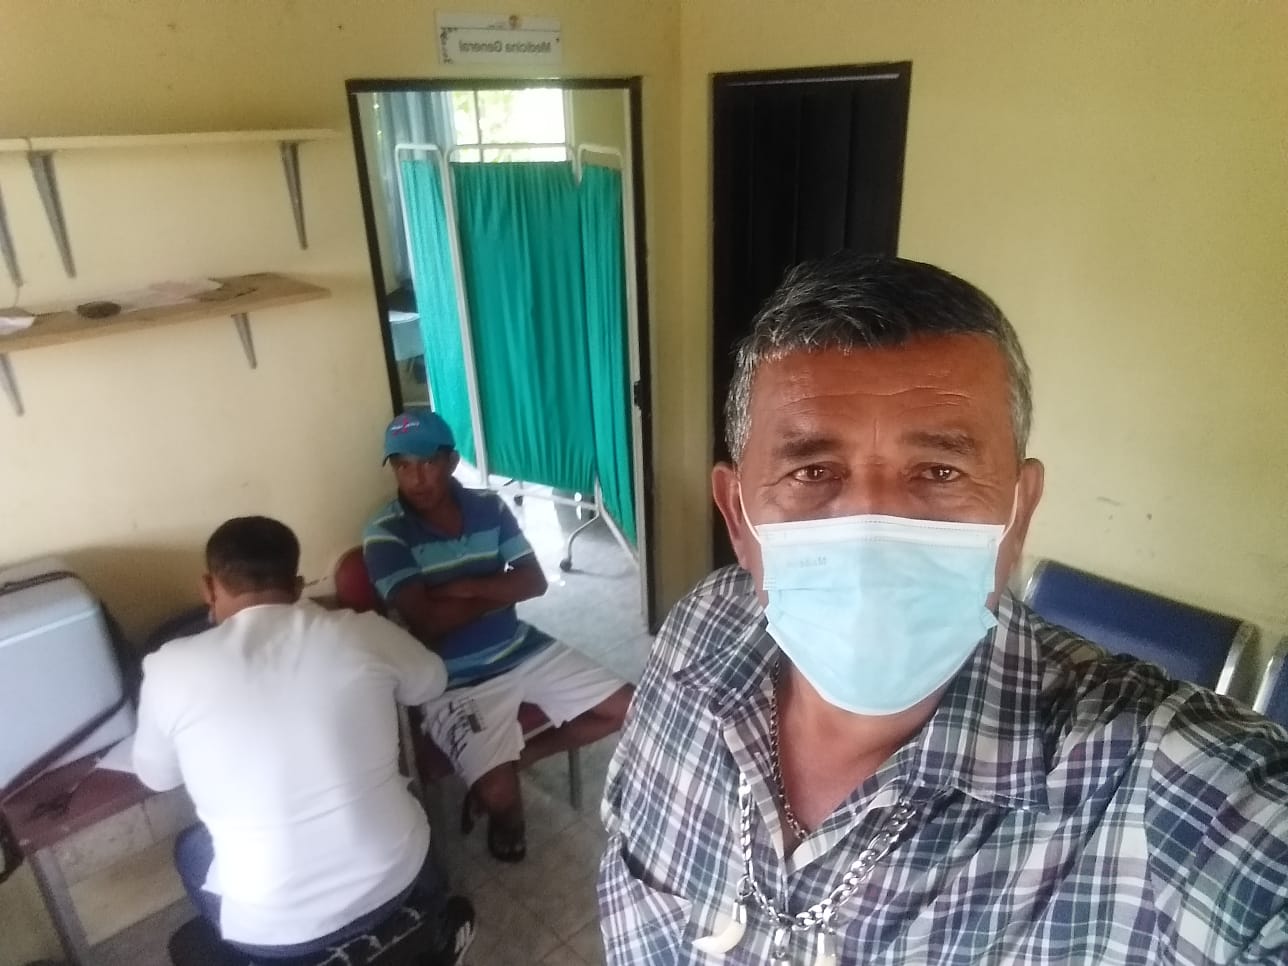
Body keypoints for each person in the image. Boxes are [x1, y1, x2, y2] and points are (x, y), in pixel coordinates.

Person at [598, 254, 1288, 964]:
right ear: (738, 518)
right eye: (812, 471)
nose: (871, 530)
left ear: (1018, 516)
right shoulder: (697, 630)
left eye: (939, 471)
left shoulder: (1172, 794)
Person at [134, 516, 474, 963]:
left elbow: (157, 777)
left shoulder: (169, 667)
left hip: (277, 930)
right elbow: (431, 682)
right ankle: (424, 935)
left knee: (192, 849)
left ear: (208, 587)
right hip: (398, 876)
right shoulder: (362, 632)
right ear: (298, 586)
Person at [363, 411, 633, 863]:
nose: (416, 478)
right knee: (500, 798)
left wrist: (465, 588)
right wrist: (496, 591)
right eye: (403, 465)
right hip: (454, 678)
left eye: (427, 463)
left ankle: (522, 757)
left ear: (451, 461)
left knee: (633, 708)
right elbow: (427, 622)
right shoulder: (385, 533)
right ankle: (506, 815)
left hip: (520, 647)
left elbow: (534, 582)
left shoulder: (489, 508)